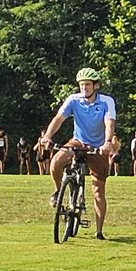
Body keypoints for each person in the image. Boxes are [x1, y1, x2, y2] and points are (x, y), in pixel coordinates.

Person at [39, 67, 118, 240]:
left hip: (98, 146)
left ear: (95, 86)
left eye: (88, 85)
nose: (84, 88)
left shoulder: (106, 102)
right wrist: (47, 137)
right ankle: (59, 191)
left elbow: (109, 124)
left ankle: (98, 231)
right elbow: (58, 119)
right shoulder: (73, 100)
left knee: (98, 190)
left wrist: (107, 143)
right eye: (81, 85)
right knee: (55, 162)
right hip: (79, 141)